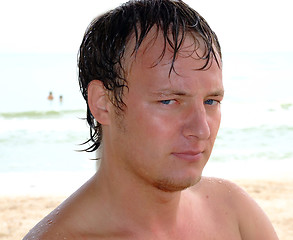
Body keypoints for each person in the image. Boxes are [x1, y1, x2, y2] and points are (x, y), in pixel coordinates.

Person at [23, 0, 278, 239]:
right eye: (168, 101)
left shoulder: (232, 211)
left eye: (211, 101)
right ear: (103, 102)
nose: (201, 130)